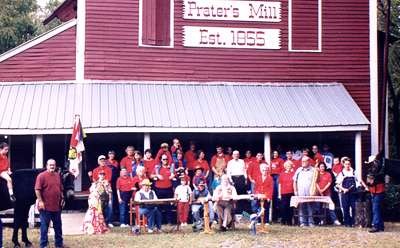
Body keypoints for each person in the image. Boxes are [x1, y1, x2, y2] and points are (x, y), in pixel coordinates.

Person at [35, 159, 64, 248]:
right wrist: (40, 201)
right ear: (47, 165)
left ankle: (59, 244)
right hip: (45, 207)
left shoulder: (57, 175)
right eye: (50, 165)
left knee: (58, 227)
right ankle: (43, 245)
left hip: (56, 206)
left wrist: (62, 198)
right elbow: (37, 190)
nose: (52, 166)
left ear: (55, 166)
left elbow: (60, 188)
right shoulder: (41, 176)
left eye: (53, 165)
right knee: (44, 228)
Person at [151, 154, 175, 225]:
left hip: (168, 189)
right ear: (161, 160)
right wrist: (157, 175)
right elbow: (151, 176)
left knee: (168, 206)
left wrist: (173, 175)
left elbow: (174, 175)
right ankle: (159, 222)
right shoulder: (157, 168)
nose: (165, 161)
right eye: (164, 159)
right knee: (158, 207)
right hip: (158, 189)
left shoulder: (171, 167)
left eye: (166, 159)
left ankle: (169, 221)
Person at [336, 158, 358, 227]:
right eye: (346, 164)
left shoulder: (354, 172)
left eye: (348, 164)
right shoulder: (341, 173)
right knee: (346, 208)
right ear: (344, 165)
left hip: (353, 193)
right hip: (345, 193)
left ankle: (353, 222)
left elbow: (358, 181)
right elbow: (337, 184)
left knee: (354, 207)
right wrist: (343, 189)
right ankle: (347, 223)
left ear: (350, 164)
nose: (347, 165)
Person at [293, 156, 315, 227]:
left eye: (304, 161)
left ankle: (311, 222)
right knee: (301, 207)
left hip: (310, 192)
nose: (303, 163)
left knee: (310, 207)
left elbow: (316, 181)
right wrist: (295, 191)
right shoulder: (299, 170)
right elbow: (294, 181)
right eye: (302, 161)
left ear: (309, 162)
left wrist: (314, 191)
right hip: (300, 192)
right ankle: (303, 222)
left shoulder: (313, 170)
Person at [279, 160, 295, 225]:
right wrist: (279, 194)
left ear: (291, 166)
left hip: (291, 192)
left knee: (290, 208)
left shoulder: (294, 173)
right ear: (285, 166)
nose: (288, 167)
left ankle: (289, 221)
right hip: (283, 193)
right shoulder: (282, 174)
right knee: (283, 207)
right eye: (287, 166)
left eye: (290, 166)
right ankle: (283, 220)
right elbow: (279, 184)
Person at [270, 150, 284, 221]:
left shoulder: (280, 160)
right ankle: (273, 216)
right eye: (274, 153)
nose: (275, 154)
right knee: (273, 194)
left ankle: (279, 216)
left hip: (278, 176)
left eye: (276, 153)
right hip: (272, 176)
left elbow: (282, 169)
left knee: (278, 195)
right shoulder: (271, 160)